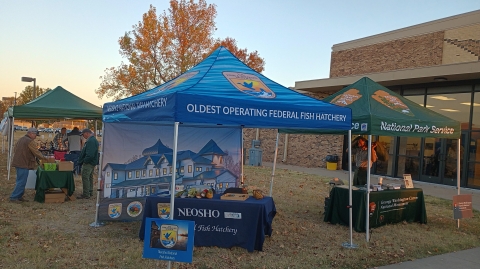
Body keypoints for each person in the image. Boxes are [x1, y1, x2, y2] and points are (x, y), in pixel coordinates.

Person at [10, 127, 47, 202]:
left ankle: (19, 196)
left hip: (18, 162)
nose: (36, 136)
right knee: (21, 181)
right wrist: (45, 158)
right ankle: (14, 197)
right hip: (23, 163)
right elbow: (36, 152)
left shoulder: (21, 139)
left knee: (20, 180)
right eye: (35, 135)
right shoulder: (30, 141)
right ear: (30, 133)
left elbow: (15, 149)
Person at [77, 128, 99, 199]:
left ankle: (86, 194)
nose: (83, 136)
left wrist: (85, 161)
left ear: (86, 133)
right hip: (91, 162)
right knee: (89, 177)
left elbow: (90, 154)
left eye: (83, 135)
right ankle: (90, 192)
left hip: (88, 162)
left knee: (85, 177)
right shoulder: (92, 140)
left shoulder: (91, 141)